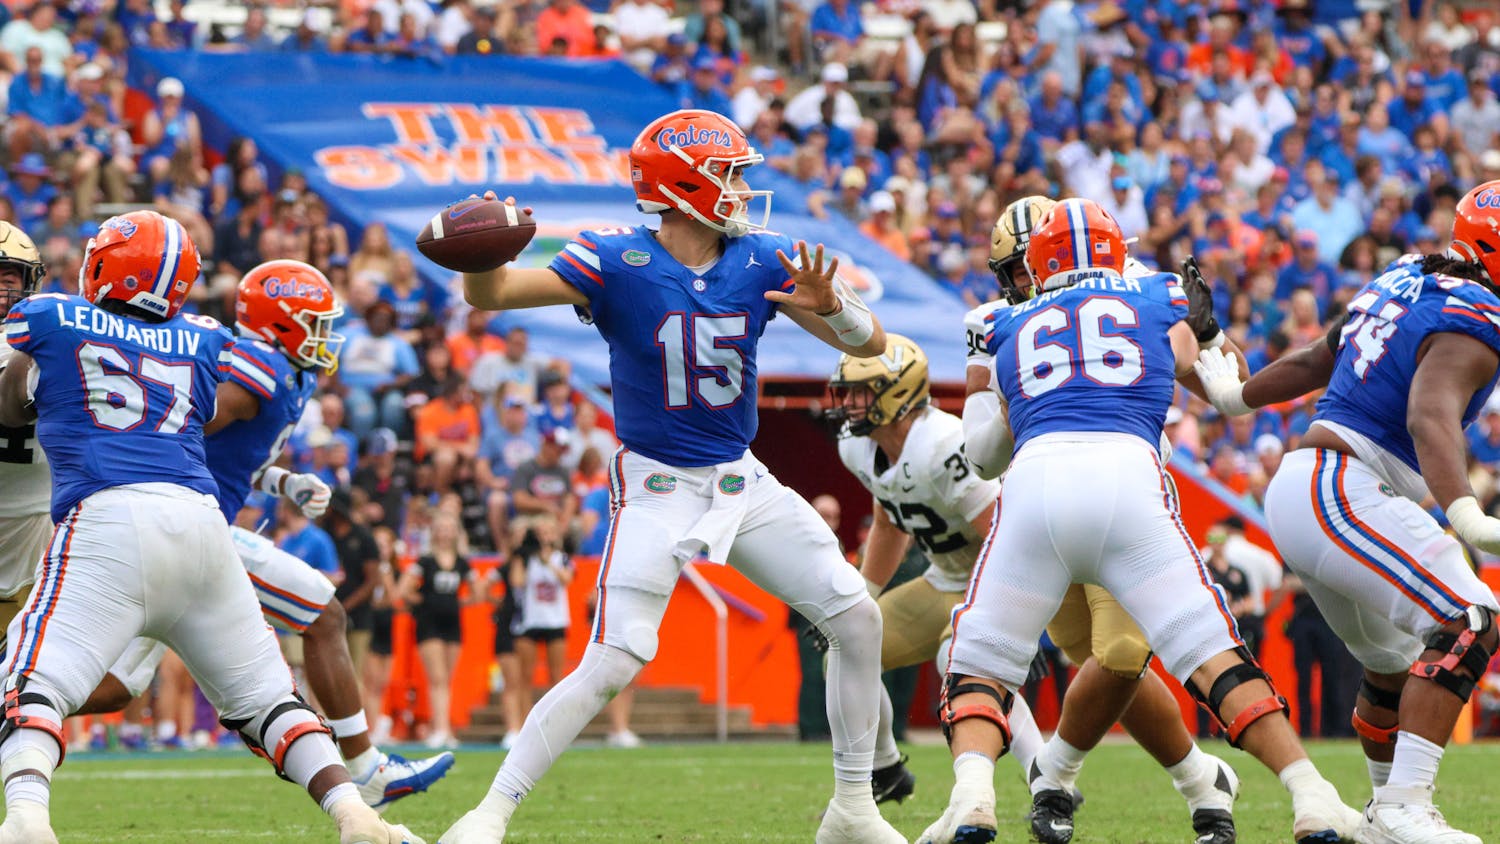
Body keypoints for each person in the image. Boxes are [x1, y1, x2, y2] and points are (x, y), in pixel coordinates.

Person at [440, 108, 900, 844]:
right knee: (614, 657)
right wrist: (480, 254)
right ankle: (489, 813)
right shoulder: (614, 260)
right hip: (656, 481)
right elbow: (492, 295)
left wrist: (835, 309)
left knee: (855, 616)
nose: (742, 190)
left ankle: (852, 809)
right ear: (684, 186)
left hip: (740, 479)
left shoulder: (763, 258)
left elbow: (872, 344)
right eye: (730, 175)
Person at [919, 199, 1360, 844]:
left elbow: (983, 455)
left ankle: (976, 795)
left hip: (1036, 486)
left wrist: (1024, 397)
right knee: (1212, 653)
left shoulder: (1004, 323)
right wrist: (1207, 334)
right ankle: (1309, 793)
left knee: (982, 660)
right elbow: (1225, 385)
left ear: (1039, 264)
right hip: (1129, 484)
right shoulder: (1157, 294)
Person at [0, 212, 420, 844]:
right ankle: (356, 814)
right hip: (200, 522)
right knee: (270, 701)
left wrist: (34, 384)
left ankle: (28, 819)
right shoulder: (203, 337)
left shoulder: (51, 316)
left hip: (107, 517)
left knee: (30, 685)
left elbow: (11, 406)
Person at [80, 260, 452, 811]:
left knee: (116, 686)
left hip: (188, 528)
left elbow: (229, 456)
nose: (326, 335)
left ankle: (21, 698)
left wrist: (283, 481)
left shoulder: (288, 371)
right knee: (322, 613)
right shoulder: (260, 365)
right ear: (281, 323)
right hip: (190, 528)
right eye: (315, 323)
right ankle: (367, 771)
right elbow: (177, 430)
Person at [1192, 180, 1500, 843]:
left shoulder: (1409, 274)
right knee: (1470, 616)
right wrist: (1468, 515)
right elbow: (1428, 414)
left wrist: (1236, 398)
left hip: (1312, 486)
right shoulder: (1477, 317)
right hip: (1340, 485)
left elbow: (1318, 358)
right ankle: (1404, 806)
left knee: (1391, 662)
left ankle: (1385, 810)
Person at [956, 197, 1245, 843]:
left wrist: (1209, 335)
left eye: (1031, 264)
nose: (1026, 281)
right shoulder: (993, 322)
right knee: (1105, 666)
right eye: (1014, 271)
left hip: (1126, 497)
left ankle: (1053, 776)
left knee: (1121, 655)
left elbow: (1228, 386)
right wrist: (1011, 400)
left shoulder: (1136, 290)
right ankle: (1202, 782)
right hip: (1041, 506)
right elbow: (979, 452)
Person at [0, 222, 49, 662]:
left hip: (32, 540)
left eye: (8, 277)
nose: (0, 289)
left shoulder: (43, 341)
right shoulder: (49, 342)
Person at [398, 511, 481, 750]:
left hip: (452, 623)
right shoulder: (425, 561)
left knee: (447, 678)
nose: (445, 534)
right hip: (429, 623)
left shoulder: (462, 562)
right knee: (437, 678)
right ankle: (440, 729)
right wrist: (424, 601)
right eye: (441, 529)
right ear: (435, 533)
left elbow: (477, 592)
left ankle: (445, 728)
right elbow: (404, 589)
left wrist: (458, 602)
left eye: (449, 529)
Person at [513, 515, 575, 716]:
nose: (544, 537)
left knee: (556, 676)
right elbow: (517, 581)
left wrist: (548, 562)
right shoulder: (525, 558)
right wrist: (524, 553)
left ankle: (554, 720)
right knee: (526, 675)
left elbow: (567, 579)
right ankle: (523, 722)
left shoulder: (561, 558)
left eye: (548, 532)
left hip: (555, 620)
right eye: (540, 533)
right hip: (530, 620)